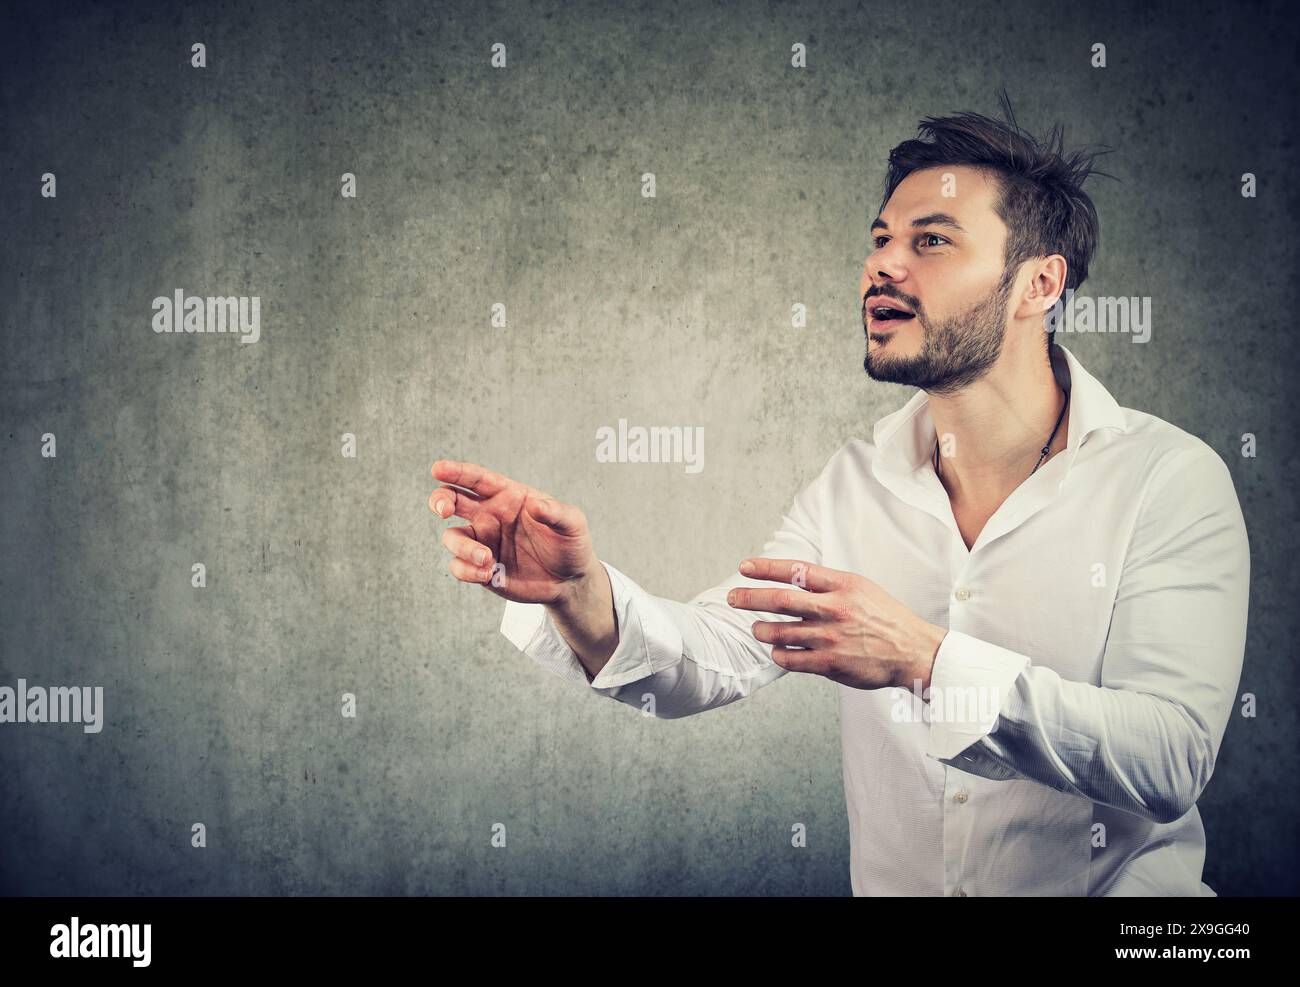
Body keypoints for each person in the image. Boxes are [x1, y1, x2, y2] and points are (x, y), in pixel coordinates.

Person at [429, 102, 1250, 896]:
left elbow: (1169, 759)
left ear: (1038, 283)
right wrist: (582, 594)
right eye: (882, 239)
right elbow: (709, 659)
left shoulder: (1168, 480)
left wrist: (926, 661)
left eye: (932, 240)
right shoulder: (853, 482)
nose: (883, 265)